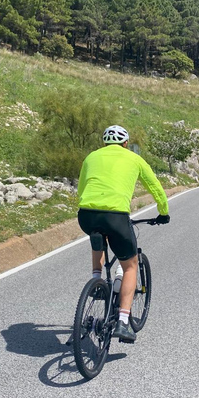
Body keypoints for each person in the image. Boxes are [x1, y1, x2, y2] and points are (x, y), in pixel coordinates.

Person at [76, 125, 170, 342]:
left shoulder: (91, 157)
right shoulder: (134, 158)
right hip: (116, 217)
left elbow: (82, 189)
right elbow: (155, 188)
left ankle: (97, 280)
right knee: (130, 265)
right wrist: (163, 212)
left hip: (87, 215)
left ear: (104, 143)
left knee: (97, 237)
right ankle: (123, 321)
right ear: (126, 144)